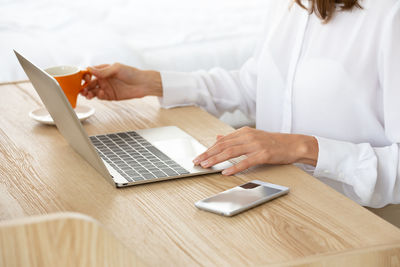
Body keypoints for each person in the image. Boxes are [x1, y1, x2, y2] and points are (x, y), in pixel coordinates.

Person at [81, 0, 400, 208]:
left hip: (357, 218)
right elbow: (255, 85)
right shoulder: (293, 6)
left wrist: (303, 148)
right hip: (276, 196)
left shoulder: (390, 15)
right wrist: (155, 83)